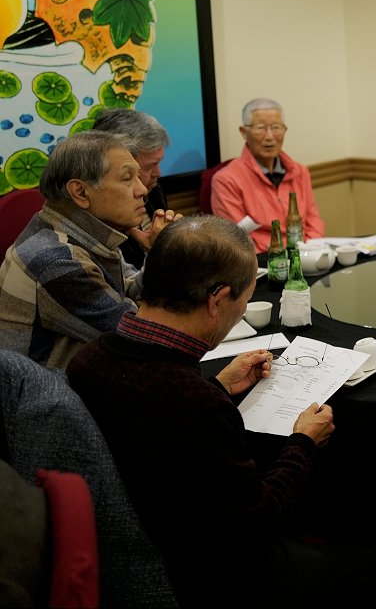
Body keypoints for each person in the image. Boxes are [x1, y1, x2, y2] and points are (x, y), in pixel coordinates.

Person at [64, 215, 339, 607]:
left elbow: (154, 429)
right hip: (209, 576)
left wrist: (219, 385)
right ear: (217, 300)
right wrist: (303, 443)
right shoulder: (194, 402)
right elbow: (257, 523)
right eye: (243, 301)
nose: (240, 312)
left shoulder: (87, 359)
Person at [0, 130, 176, 368]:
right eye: (127, 178)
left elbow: (130, 292)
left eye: (138, 176)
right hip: (53, 390)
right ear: (81, 192)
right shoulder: (57, 260)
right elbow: (142, 338)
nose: (142, 190)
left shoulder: (84, 230)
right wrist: (170, 256)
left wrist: (158, 253)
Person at [210, 98, 324, 253]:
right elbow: (237, 241)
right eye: (261, 128)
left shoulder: (299, 172)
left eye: (276, 127)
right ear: (244, 132)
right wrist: (280, 255)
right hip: (263, 260)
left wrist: (308, 250)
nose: (270, 136)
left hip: (306, 254)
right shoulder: (226, 180)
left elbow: (314, 222)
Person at [92, 107, 171, 268]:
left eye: (158, 163)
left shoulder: (154, 190)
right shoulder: (101, 213)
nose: (158, 173)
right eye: (149, 166)